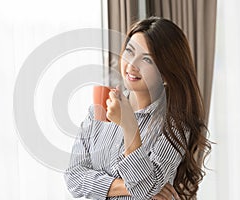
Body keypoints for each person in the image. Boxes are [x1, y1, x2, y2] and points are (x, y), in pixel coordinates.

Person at [64, 16, 211, 200]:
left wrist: (129, 126)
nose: (132, 65)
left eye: (147, 60)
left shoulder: (175, 126)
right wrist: (128, 186)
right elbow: (74, 177)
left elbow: (146, 187)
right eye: (130, 51)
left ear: (165, 73)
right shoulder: (99, 108)